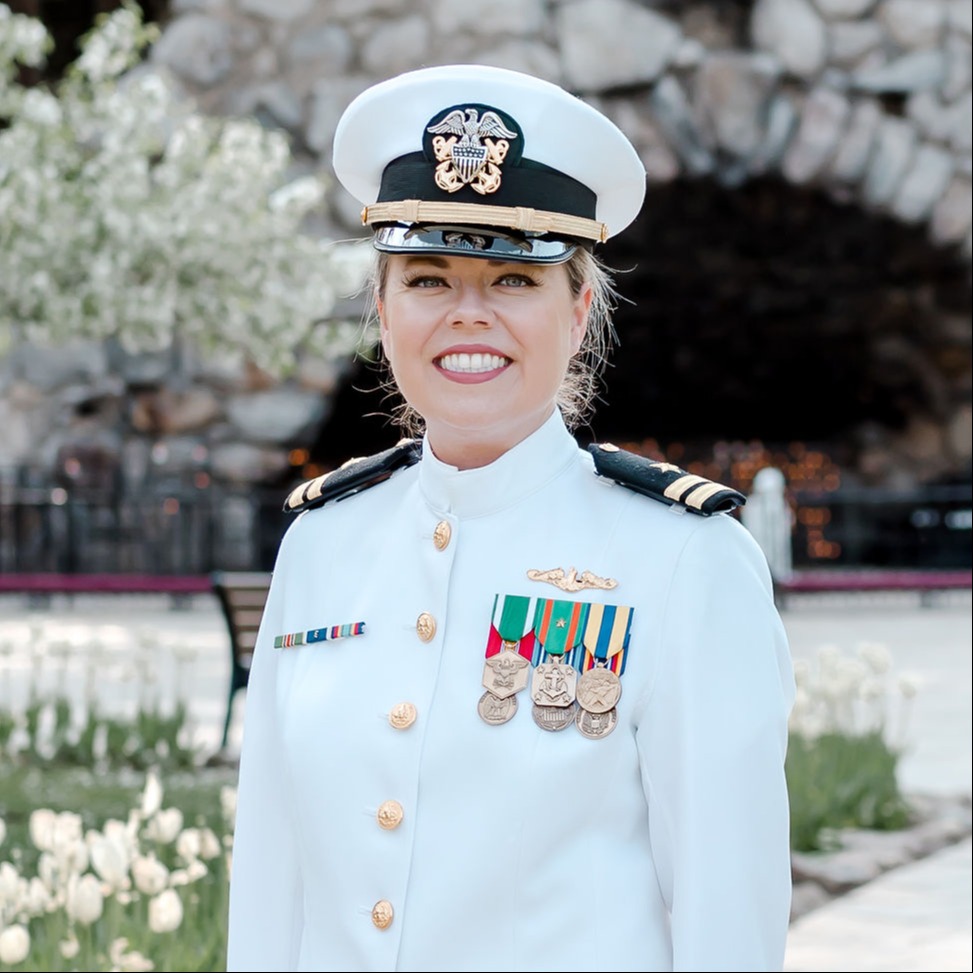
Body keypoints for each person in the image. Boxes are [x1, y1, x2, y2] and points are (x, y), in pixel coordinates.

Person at [226, 64, 796, 973]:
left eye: (512, 280)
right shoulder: (322, 542)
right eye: (427, 277)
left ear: (577, 312)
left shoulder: (685, 558)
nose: (467, 315)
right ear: (383, 308)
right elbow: (270, 879)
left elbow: (726, 907)